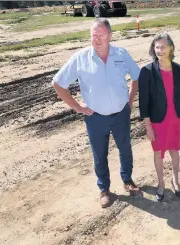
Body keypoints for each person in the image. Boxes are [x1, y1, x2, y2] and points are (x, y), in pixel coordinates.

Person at [51, 19, 142, 209]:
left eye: (101, 35)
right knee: (99, 155)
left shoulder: (121, 54)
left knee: (125, 149)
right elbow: (58, 84)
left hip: (120, 114)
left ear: (110, 35)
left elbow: (136, 77)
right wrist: (78, 107)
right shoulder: (80, 58)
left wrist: (130, 101)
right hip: (95, 117)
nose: (97, 39)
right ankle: (104, 189)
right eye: (94, 35)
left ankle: (127, 180)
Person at [138, 33, 180, 202]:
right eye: (157, 47)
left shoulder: (178, 69)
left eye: (163, 47)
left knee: (175, 150)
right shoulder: (146, 71)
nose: (159, 50)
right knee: (158, 152)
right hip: (157, 120)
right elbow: (144, 101)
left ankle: (176, 180)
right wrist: (148, 126)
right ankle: (161, 184)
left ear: (171, 48)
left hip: (174, 118)